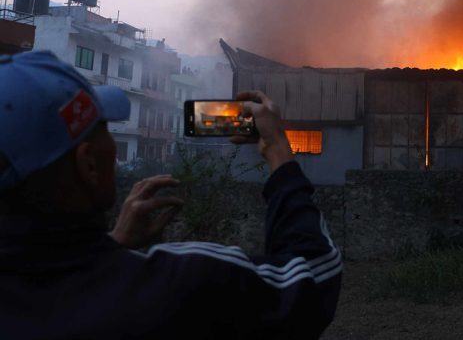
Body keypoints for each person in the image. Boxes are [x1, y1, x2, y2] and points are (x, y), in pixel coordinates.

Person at [0, 50, 342, 339]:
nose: (111, 146)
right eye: (104, 130)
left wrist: (114, 244)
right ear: (88, 164)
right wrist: (278, 148)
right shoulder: (178, 284)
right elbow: (314, 276)